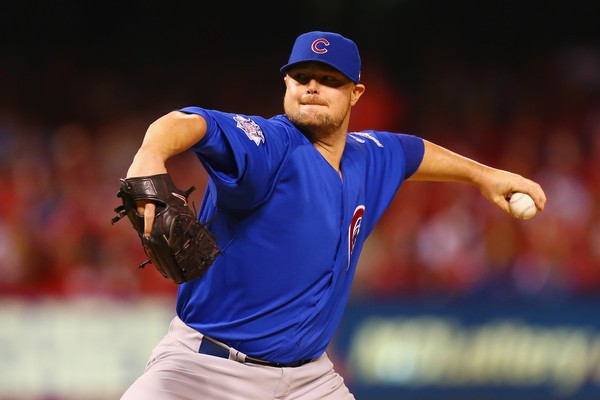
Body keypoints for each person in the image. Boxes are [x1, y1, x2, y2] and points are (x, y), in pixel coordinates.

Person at [120, 31, 546, 400]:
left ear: (356, 93)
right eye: (302, 77)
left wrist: (484, 176)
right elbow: (192, 122)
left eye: (328, 80)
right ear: (285, 83)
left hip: (309, 379)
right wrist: (151, 153)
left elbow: (414, 152)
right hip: (206, 370)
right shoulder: (271, 145)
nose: (311, 87)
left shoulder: (368, 156)